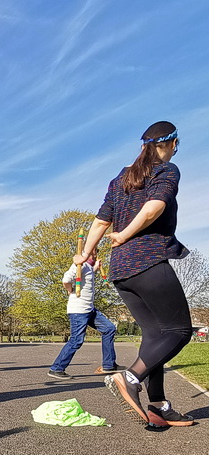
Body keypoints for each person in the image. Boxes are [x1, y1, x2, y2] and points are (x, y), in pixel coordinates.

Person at [76, 121, 194, 428]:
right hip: (148, 260)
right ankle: (130, 378)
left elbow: (101, 221)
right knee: (180, 331)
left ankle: (159, 406)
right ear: (171, 143)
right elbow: (154, 207)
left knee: (156, 335)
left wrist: (87, 253)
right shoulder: (166, 171)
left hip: (121, 271)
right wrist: (126, 233)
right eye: (175, 145)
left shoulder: (121, 177)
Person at [47, 250, 124, 380]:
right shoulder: (80, 264)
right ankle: (57, 368)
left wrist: (95, 267)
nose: (97, 252)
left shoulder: (88, 267)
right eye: (95, 251)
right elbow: (66, 279)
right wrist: (69, 290)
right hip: (78, 311)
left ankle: (109, 365)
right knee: (76, 340)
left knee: (109, 328)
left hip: (90, 310)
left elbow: (86, 276)